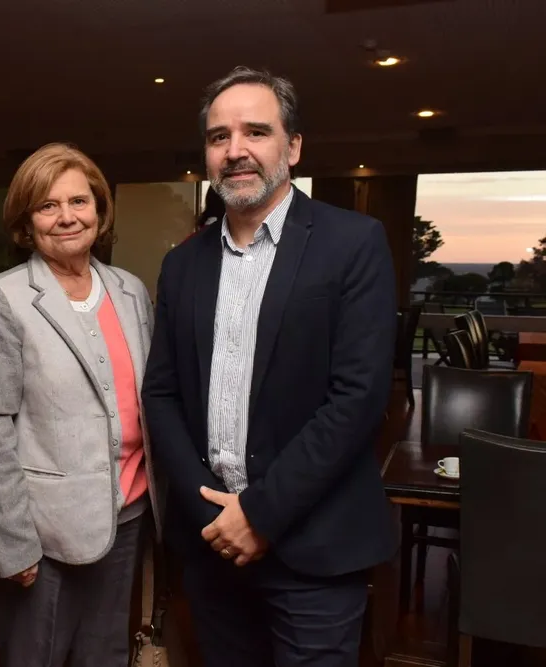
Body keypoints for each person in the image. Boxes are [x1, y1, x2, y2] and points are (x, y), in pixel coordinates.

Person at [141, 66, 397, 667]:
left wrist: (258, 514)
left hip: (314, 546)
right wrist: (215, 516)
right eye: (218, 137)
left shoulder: (354, 243)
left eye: (256, 132)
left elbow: (357, 399)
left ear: (294, 147)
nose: (235, 151)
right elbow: (161, 394)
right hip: (213, 548)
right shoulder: (184, 264)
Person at [0, 142, 163, 667]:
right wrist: (12, 541)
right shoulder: (2, 297)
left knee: (106, 654)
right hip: (43, 528)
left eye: (79, 201)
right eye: (48, 206)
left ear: (100, 209)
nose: (67, 217)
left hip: (129, 511)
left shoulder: (130, 291)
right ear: (27, 222)